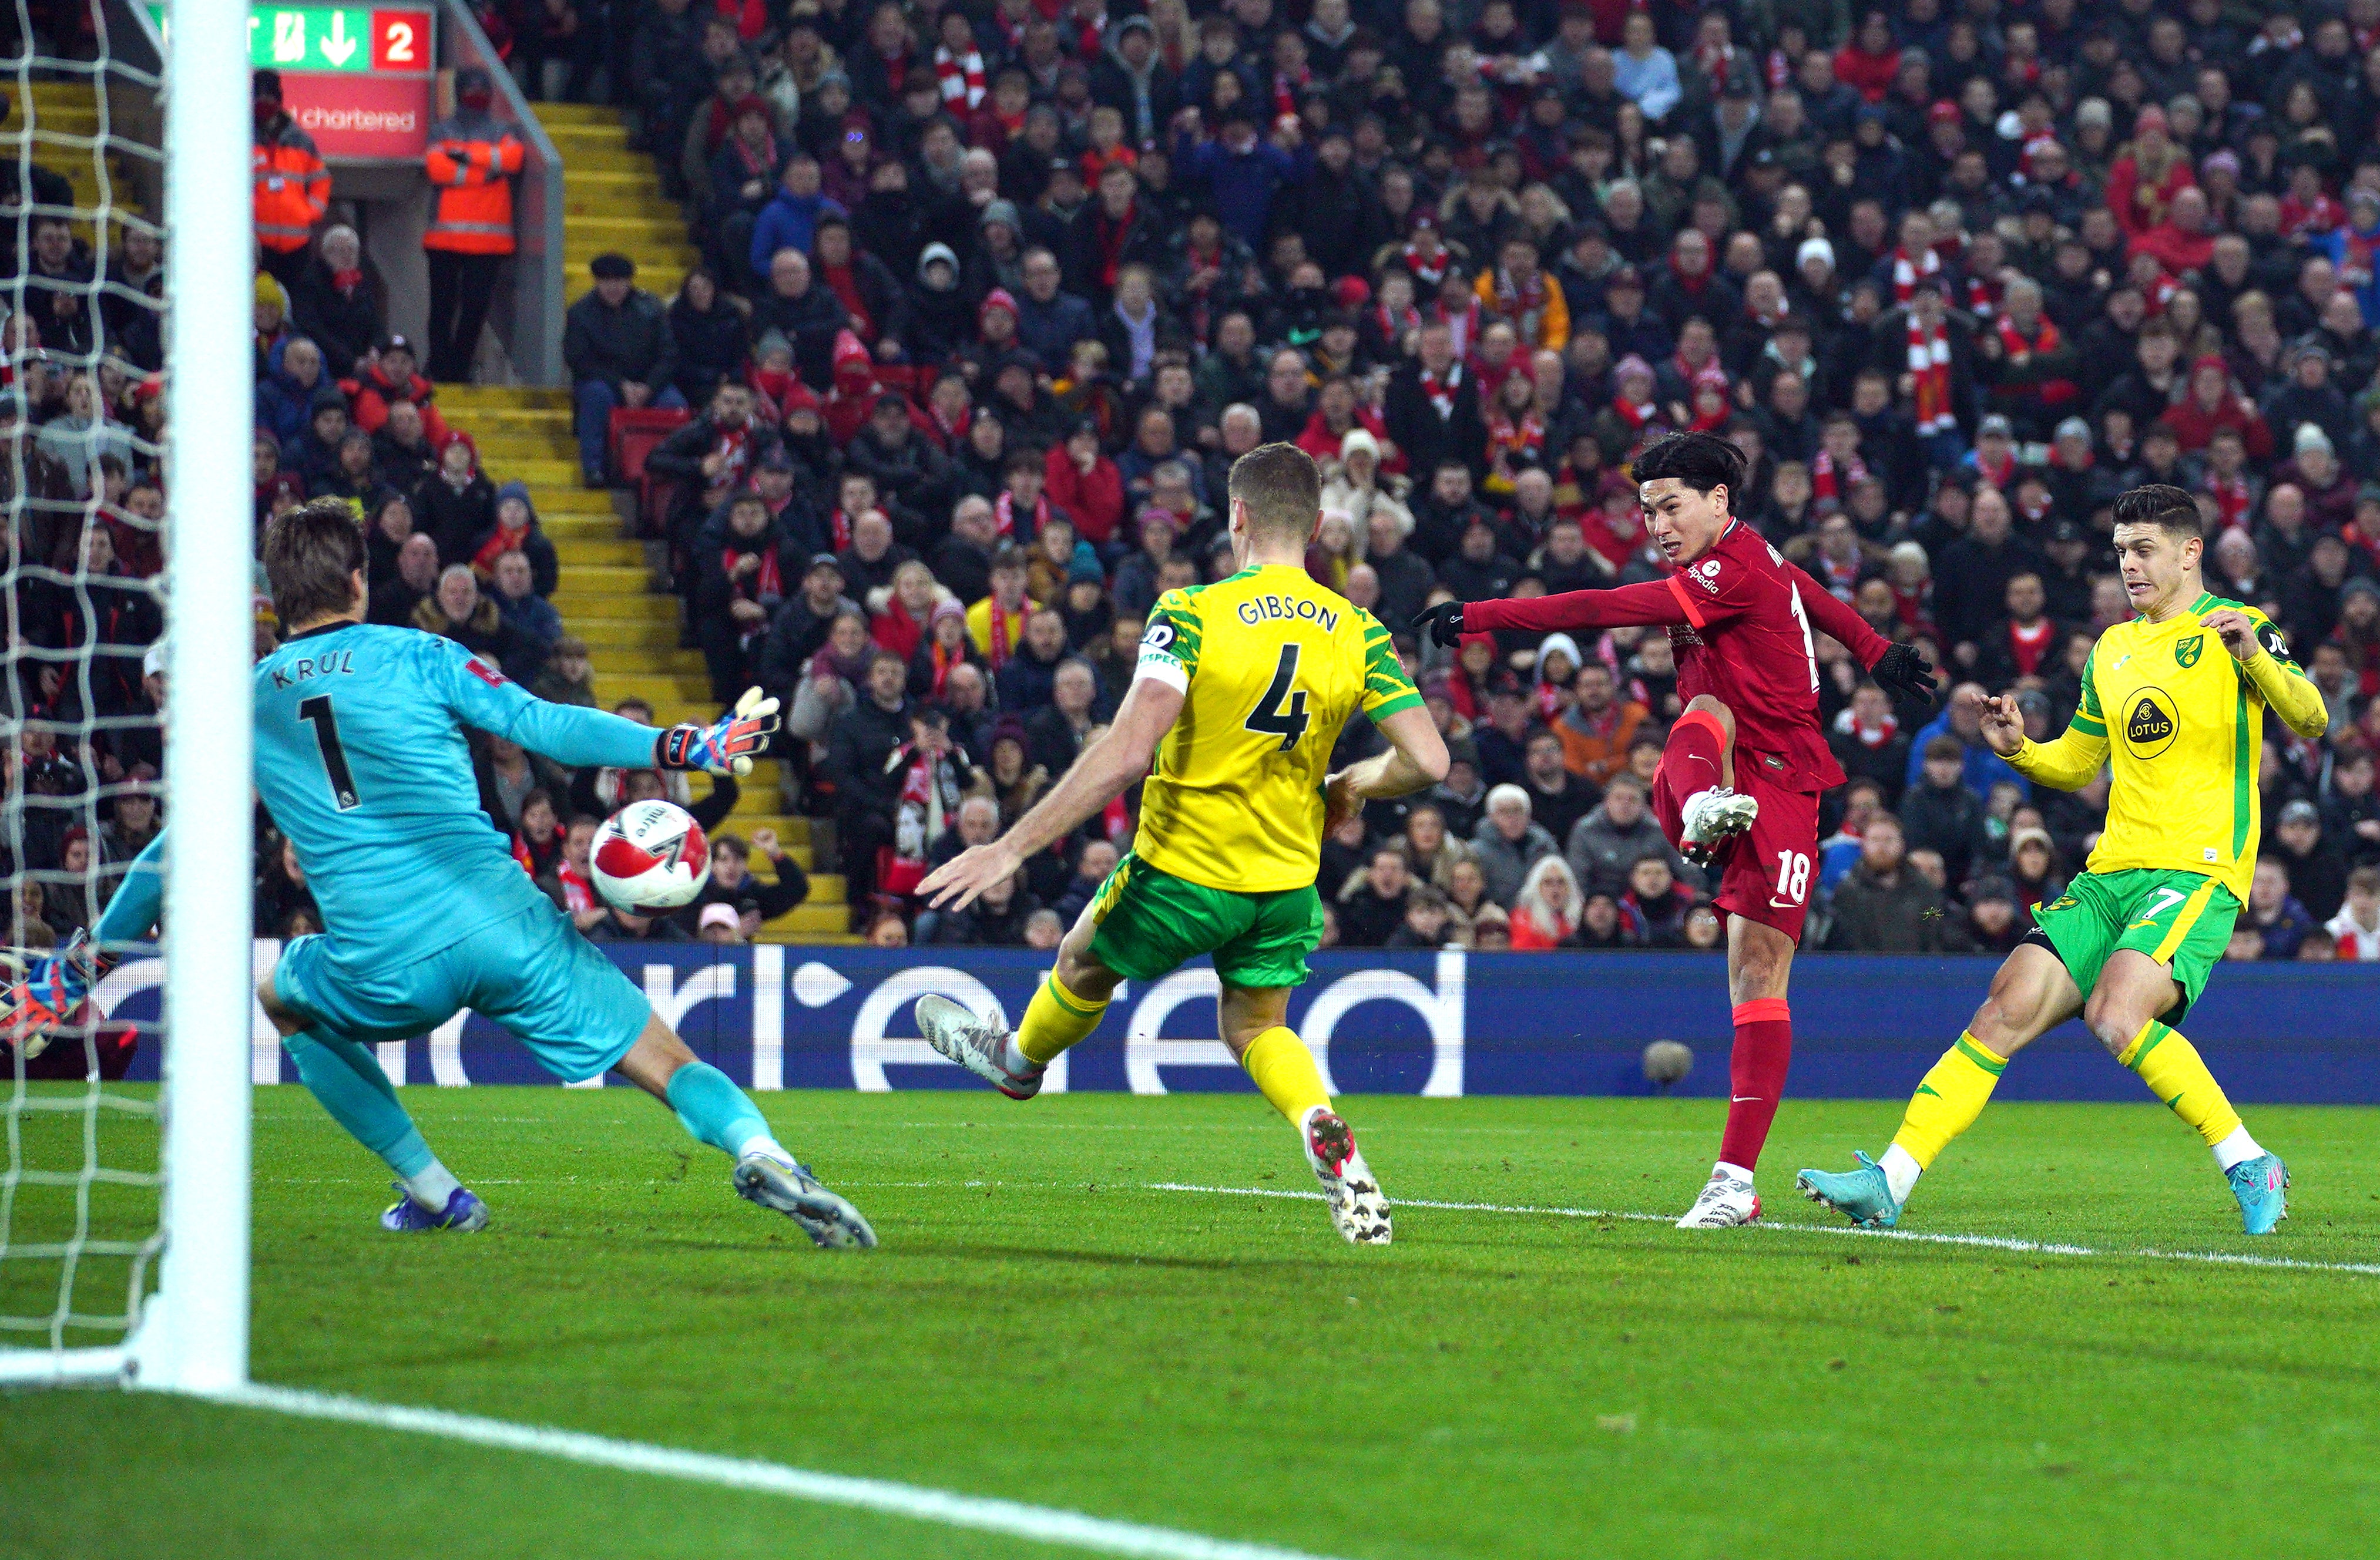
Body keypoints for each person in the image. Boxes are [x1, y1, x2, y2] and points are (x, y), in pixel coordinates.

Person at [1, 502, 872, 1250]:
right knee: (667, 1059)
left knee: (280, 993)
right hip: (504, 924)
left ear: (272, 600)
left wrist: (88, 961)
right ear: (357, 583)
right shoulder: (420, 655)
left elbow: (175, 854)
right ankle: (764, 1153)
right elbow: (542, 724)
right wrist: (684, 744)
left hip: (382, 959)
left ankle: (434, 1193)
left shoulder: (246, 698)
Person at [911, 443, 1448, 1245]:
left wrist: (1011, 848)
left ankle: (1018, 1065)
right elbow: (1429, 760)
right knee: (1257, 1027)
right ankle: (1318, 1123)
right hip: (1284, 884)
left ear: (1235, 515)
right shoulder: (1360, 629)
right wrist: (1349, 787)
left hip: (1183, 871)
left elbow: (1128, 750)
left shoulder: (1191, 611)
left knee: (1080, 961)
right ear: (1316, 528)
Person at [1417, 432, 1937, 1228]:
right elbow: (1812, 594)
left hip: (1785, 782)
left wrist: (1480, 617)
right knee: (1703, 712)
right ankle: (1698, 809)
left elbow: (1604, 608)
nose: (1656, 524)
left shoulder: (1727, 568)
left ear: (1718, 503)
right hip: (1727, 769)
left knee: (1755, 977)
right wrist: (1874, 650)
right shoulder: (1749, 556)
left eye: (1670, 506)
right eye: (1646, 510)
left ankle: (1732, 1182)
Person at [1800, 486, 2328, 1238]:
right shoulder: (2113, 649)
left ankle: (2248, 1160)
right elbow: (2078, 764)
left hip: (2195, 870)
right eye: (2120, 552)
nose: (2128, 566)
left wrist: (2256, 659)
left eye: (2143, 549)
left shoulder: (2237, 628)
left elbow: (2311, 716)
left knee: (2117, 1014)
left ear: (2189, 551)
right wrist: (2020, 750)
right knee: (2000, 1010)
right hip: (2110, 873)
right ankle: (1890, 1180)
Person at [421, 68, 526, 384]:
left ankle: (458, 369)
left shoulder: (503, 130)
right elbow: (437, 169)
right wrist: (485, 172)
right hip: (444, 238)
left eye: (483, 89)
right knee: (441, 310)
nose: (477, 94)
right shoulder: (442, 131)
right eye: (471, 88)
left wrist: (463, 156)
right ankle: (439, 368)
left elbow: (513, 160)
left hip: (488, 243)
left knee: (474, 312)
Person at [562, 254, 687, 486]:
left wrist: (649, 387)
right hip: (604, 383)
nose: (613, 288)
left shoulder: (651, 308)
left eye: (619, 281)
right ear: (597, 282)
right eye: (606, 281)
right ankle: (594, 468)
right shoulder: (581, 313)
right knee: (596, 396)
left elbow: (668, 355)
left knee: (673, 404)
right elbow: (579, 360)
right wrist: (621, 384)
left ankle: (671, 468)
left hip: (649, 384)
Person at [250, 70, 329, 288]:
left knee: (298, 305)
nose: (264, 102)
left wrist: (310, 211)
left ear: (279, 99)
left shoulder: (301, 140)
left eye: (269, 96)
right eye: (260, 96)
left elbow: (321, 179)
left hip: (298, 245)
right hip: (258, 244)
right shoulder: (241, 136)